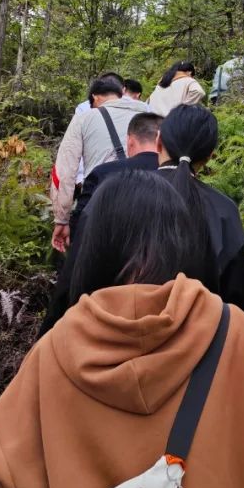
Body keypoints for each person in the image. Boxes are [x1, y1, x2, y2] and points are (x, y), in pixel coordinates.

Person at [0, 172, 244, 488]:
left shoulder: (51, 354)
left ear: (94, 248)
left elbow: (5, 481)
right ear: (185, 242)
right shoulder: (237, 335)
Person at [38, 112, 163, 336]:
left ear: (130, 141)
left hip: (105, 297)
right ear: (163, 141)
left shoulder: (105, 175)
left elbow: (82, 239)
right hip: (161, 304)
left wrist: (63, 220)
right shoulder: (185, 183)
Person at [156, 104, 244, 315]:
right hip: (203, 339)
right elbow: (238, 299)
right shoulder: (224, 210)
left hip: (122, 338)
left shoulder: (114, 195)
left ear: (158, 141)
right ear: (210, 156)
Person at [50, 75, 148, 251]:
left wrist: (62, 219)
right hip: (150, 196)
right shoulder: (151, 113)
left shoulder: (84, 118)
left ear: (95, 97)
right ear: (121, 93)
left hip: (100, 199)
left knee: (83, 266)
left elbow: (64, 172)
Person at [70, 72, 124, 188]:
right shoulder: (141, 109)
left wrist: (79, 179)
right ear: (122, 90)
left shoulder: (84, 108)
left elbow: (75, 148)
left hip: (94, 179)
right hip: (130, 180)